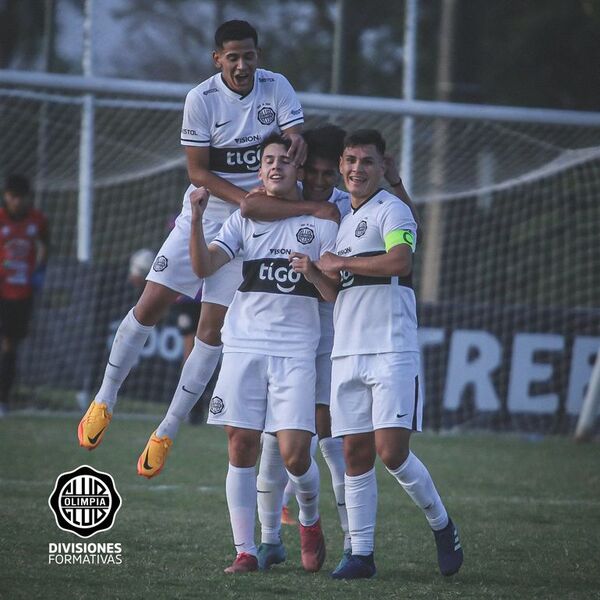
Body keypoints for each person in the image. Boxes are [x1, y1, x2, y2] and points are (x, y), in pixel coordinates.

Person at [77, 19, 336, 458]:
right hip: (205, 212)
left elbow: (294, 135)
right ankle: (104, 398)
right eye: (232, 57)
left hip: (253, 224)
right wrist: (244, 199)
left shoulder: (277, 88)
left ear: (258, 56)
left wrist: (294, 143)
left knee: (211, 331)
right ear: (218, 59)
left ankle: (166, 430)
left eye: (248, 56)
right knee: (150, 303)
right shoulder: (201, 98)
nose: (241, 65)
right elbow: (197, 171)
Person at [317, 129, 463, 579]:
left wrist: (342, 263)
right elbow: (335, 293)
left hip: (391, 349)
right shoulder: (341, 218)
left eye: (366, 161)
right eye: (350, 160)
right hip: (347, 351)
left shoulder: (392, 209)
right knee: (355, 452)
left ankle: (442, 525)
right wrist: (312, 271)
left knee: (392, 452)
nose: (356, 168)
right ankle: (361, 554)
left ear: (383, 166)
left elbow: (401, 261)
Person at [190, 134, 338, 574]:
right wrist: (197, 220)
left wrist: (312, 273)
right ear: (259, 171)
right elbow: (203, 268)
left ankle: (309, 520)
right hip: (244, 345)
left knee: (295, 454)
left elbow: (334, 295)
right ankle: (246, 551)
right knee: (241, 444)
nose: (276, 167)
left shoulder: (323, 224)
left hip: (295, 350)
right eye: (268, 161)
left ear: (298, 169)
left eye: (283, 161)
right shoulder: (241, 220)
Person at [254, 125, 352, 571]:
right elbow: (248, 204)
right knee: (275, 435)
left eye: (327, 175)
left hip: (332, 328)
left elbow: (404, 224)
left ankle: (354, 543)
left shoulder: (353, 206)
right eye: (310, 170)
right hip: (286, 328)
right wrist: (314, 205)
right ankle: (271, 537)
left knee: (329, 434)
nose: (317, 180)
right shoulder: (286, 195)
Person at [0, 174, 49, 415]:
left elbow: (45, 247)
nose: (16, 201)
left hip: (21, 293)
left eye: (20, 197)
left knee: (10, 345)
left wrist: (39, 272)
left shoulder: (37, 220)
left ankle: (4, 398)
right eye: (12, 196)